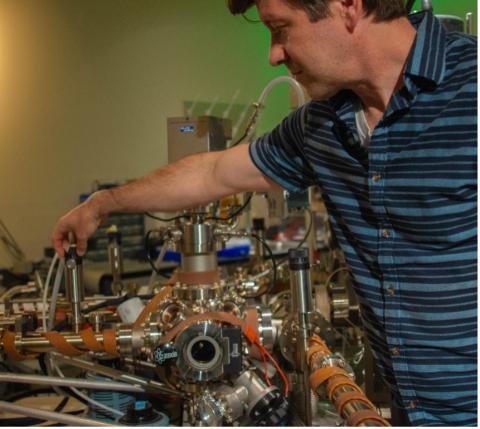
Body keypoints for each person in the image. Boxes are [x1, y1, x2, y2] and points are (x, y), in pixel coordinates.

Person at [52, 0, 477, 426]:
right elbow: (212, 172)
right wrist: (103, 204)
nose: (273, 54)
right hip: (412, 410)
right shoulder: (321, 126)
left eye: (279, 28)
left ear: (346, 6)